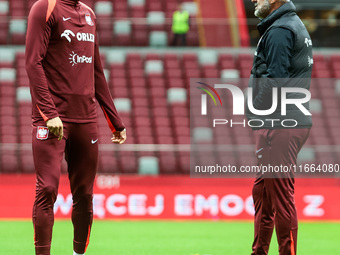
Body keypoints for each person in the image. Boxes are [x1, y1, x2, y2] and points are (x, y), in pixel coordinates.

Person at [25, 0, 126, 254]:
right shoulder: (44, 8)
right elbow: (32, 63)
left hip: (86, 119)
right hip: (52, 120)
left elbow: (96, 70)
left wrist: (115, 121)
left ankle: (78, 253)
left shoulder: (89, 14)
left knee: (84, 195)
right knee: (47, 189)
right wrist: (49, 114)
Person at [246, 0, 313, 254]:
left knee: (281, 198)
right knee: (263, 194)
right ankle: (259, 251)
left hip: (280, 123)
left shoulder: (280, 30)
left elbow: (277, 80)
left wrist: (255, 111)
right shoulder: (291, 25)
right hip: (286, 120)